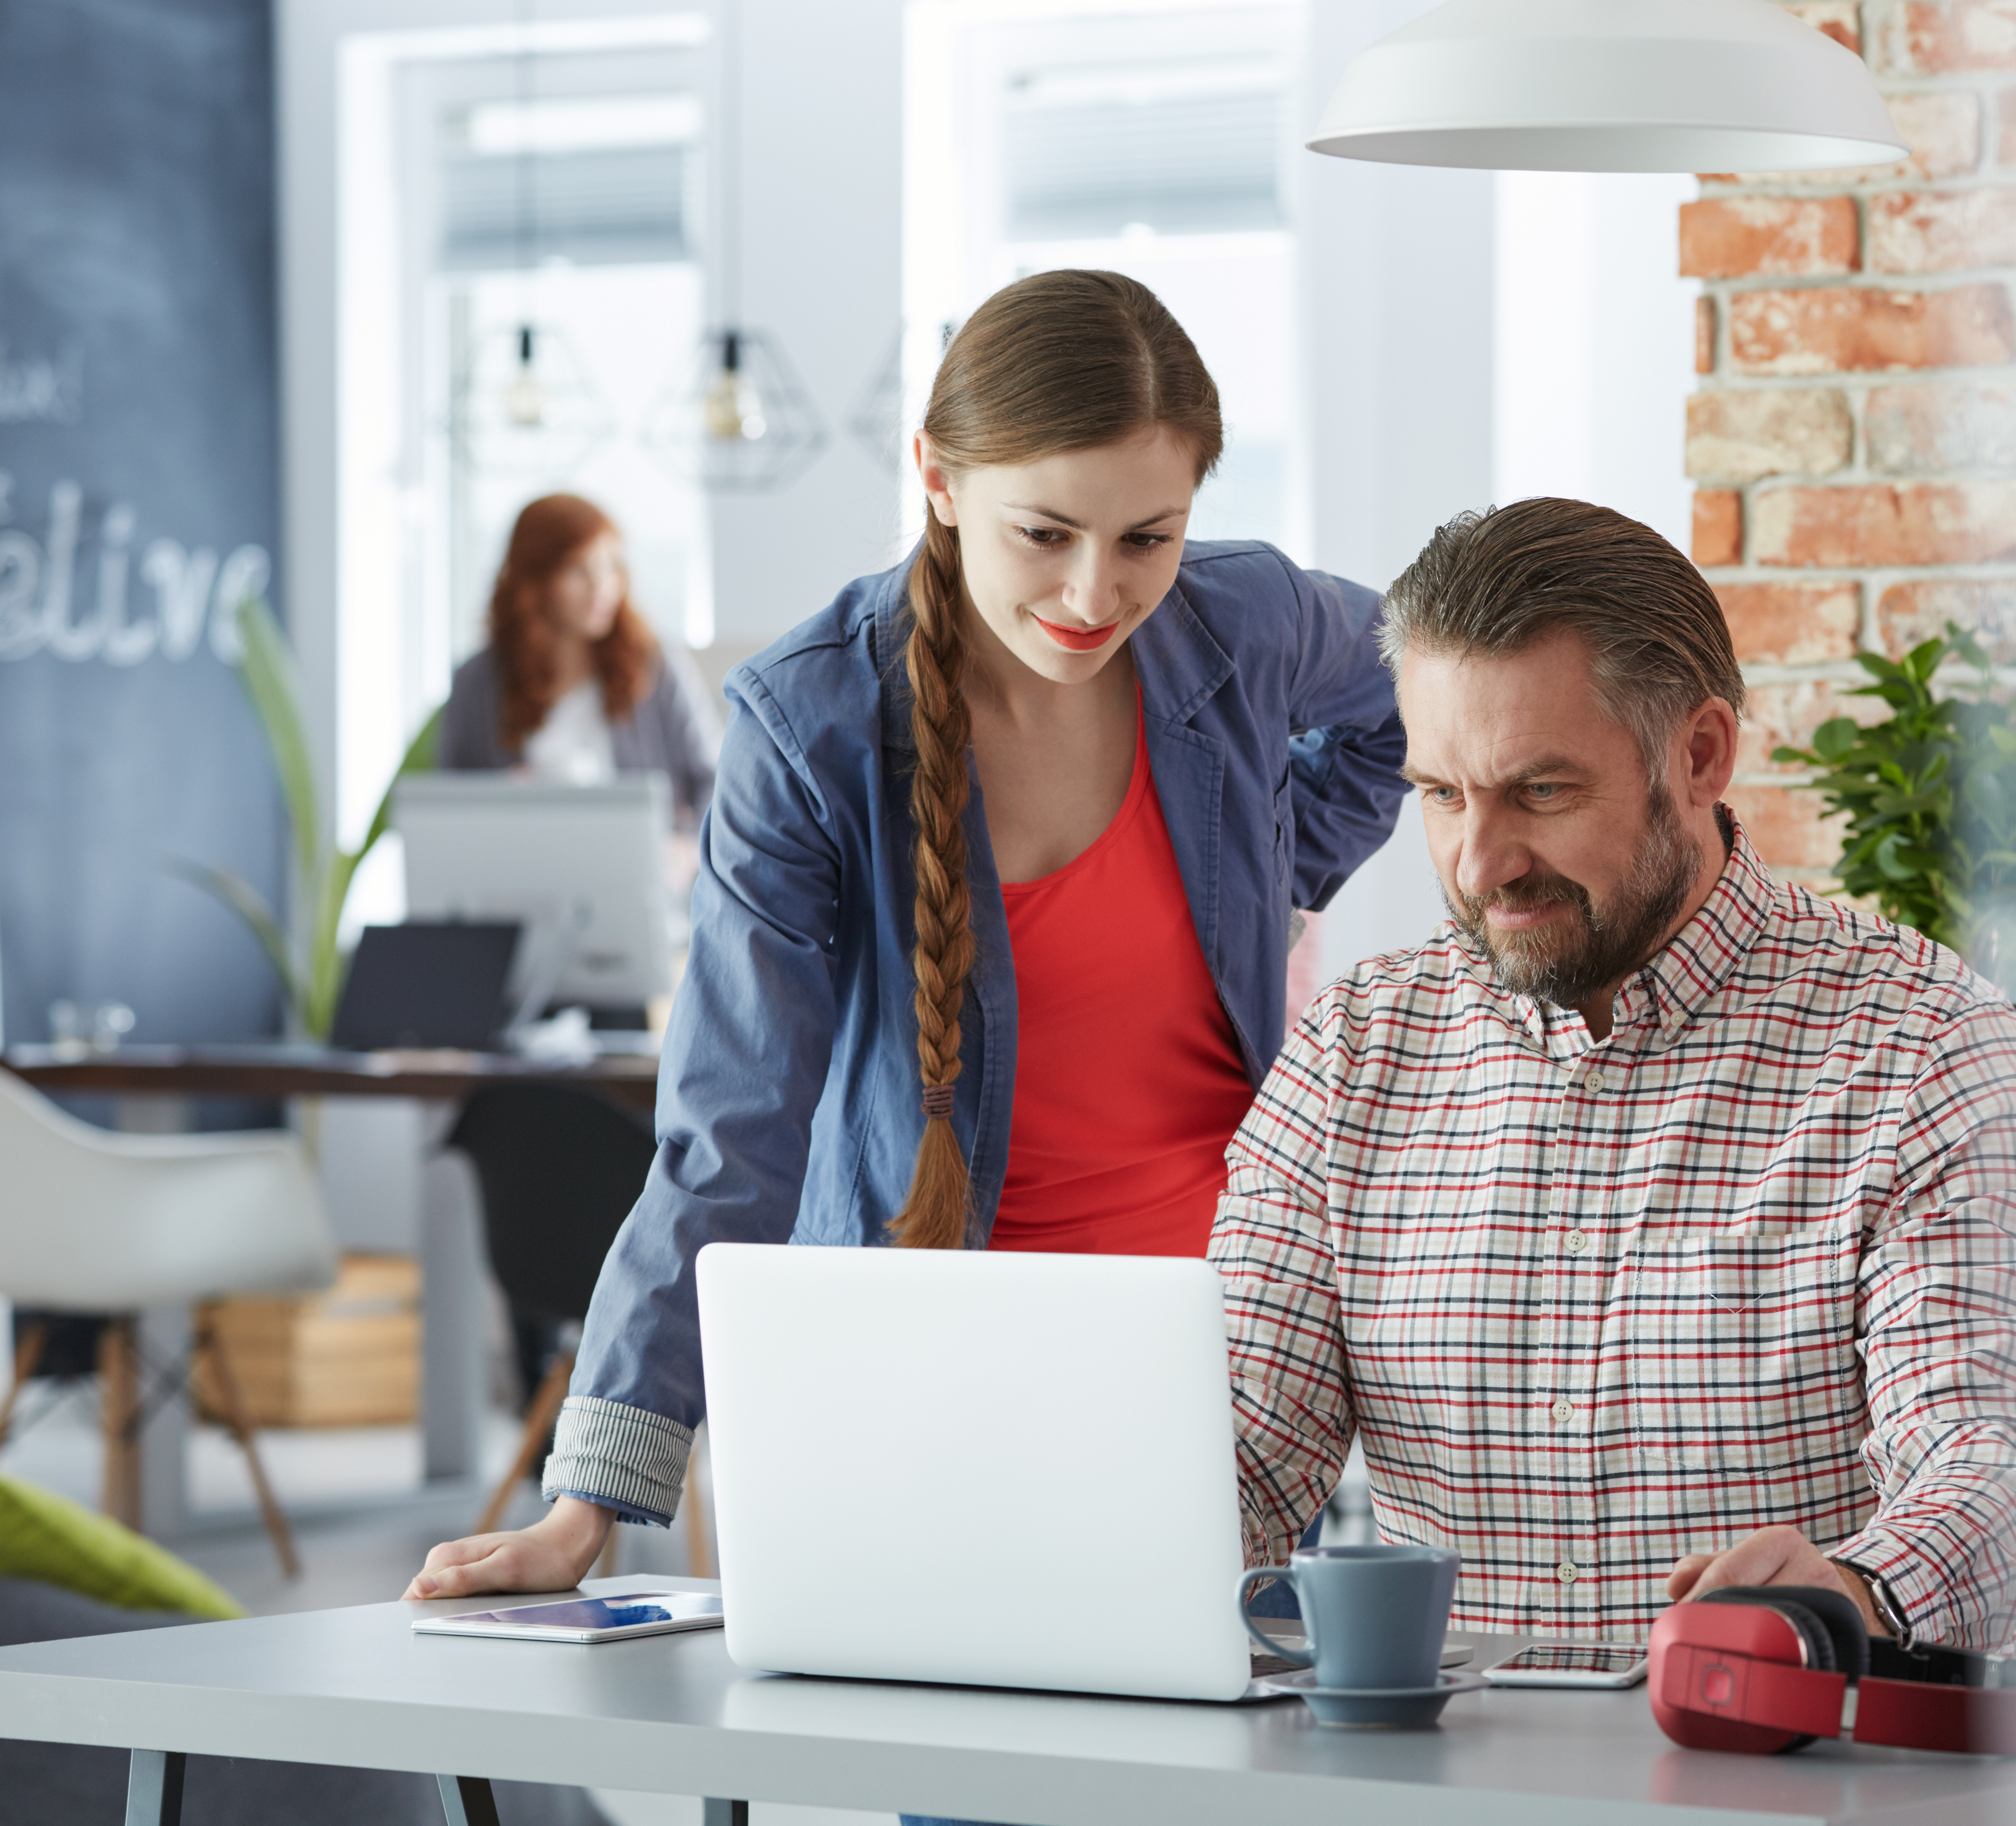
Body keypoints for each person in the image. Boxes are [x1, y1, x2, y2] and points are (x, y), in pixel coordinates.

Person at [405, 270, 1410, 1602]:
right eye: (1042, 533)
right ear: (936, 475)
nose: (1095, 595)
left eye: (1147, 540)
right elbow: (734, 1128)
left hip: (1220, 1369)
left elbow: (1413, 688)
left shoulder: (1245, 617)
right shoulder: (810, 724)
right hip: (921, 1369)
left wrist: (1278, 880)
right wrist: (594, 1500)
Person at [1210, 498, 2016, 1646]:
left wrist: (1848, 1596)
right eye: (1440, 794)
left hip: (1793, 1784)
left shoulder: (1912, 1049)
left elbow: (1994, 1467)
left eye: (1540, 791)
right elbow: (1239, 1454)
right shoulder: (1352, 1058)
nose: (1479, 863)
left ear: (1700, 754)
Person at [439, 492, 722, 835]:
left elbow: (718, 782)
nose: (601, 587)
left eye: (611, 567)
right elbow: (447, 806)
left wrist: (688, 850)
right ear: (536, 579)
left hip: (641, 879)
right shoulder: (478, 682)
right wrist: (500, 797)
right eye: (578, 569)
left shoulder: (655, 666)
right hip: (522, 878)